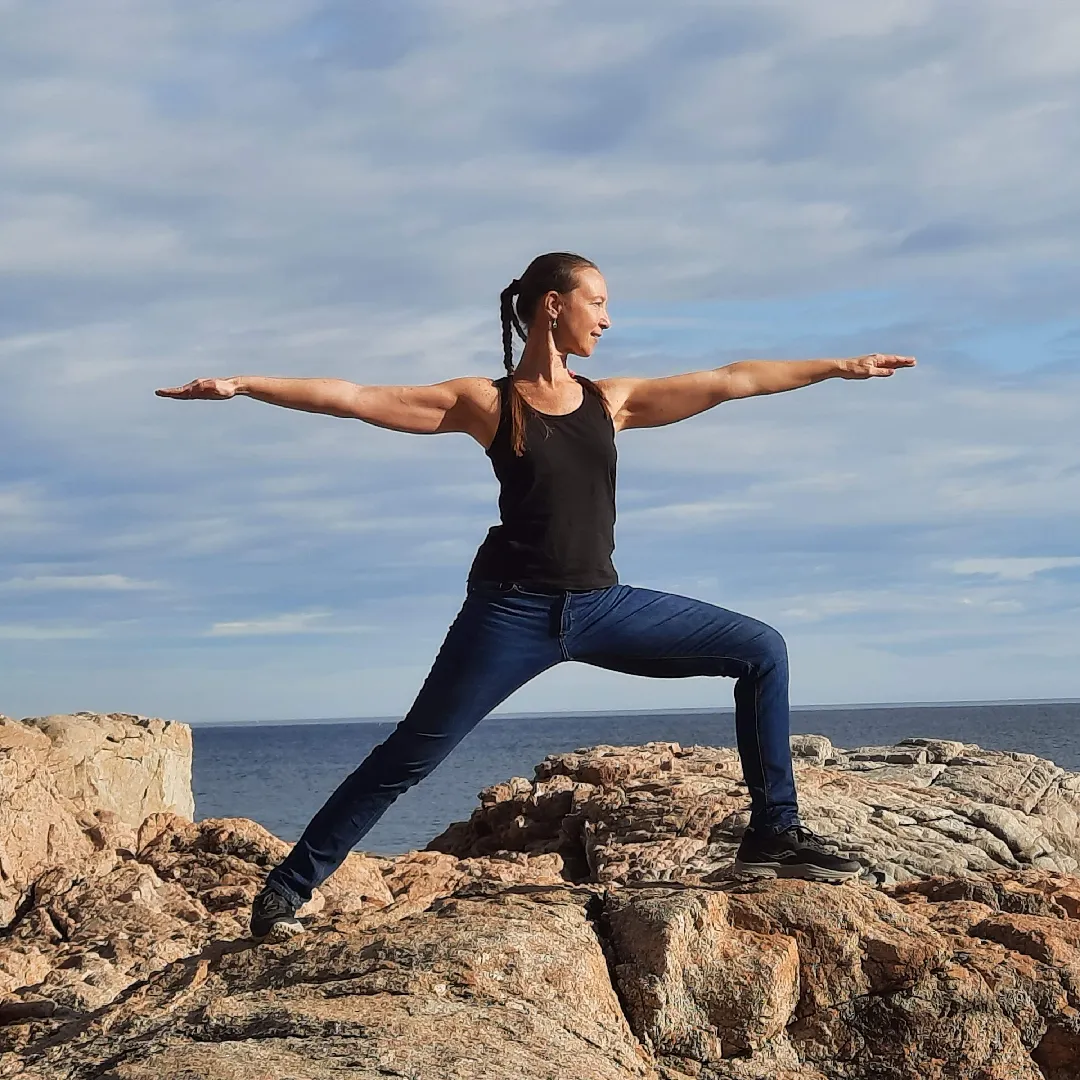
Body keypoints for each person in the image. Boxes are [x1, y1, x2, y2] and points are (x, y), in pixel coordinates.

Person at [157, 252, 915, 939]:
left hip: (602, 607)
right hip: (509, 614)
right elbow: (355, 396)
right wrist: (247, 385)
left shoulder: (609, 400)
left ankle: (773, 834)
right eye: (600, 303)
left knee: (761, 650)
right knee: (407, 758)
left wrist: (836, 367)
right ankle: (287, 891)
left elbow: (730, 380)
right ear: (554, 305)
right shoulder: (485, 401)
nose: (609, 319)